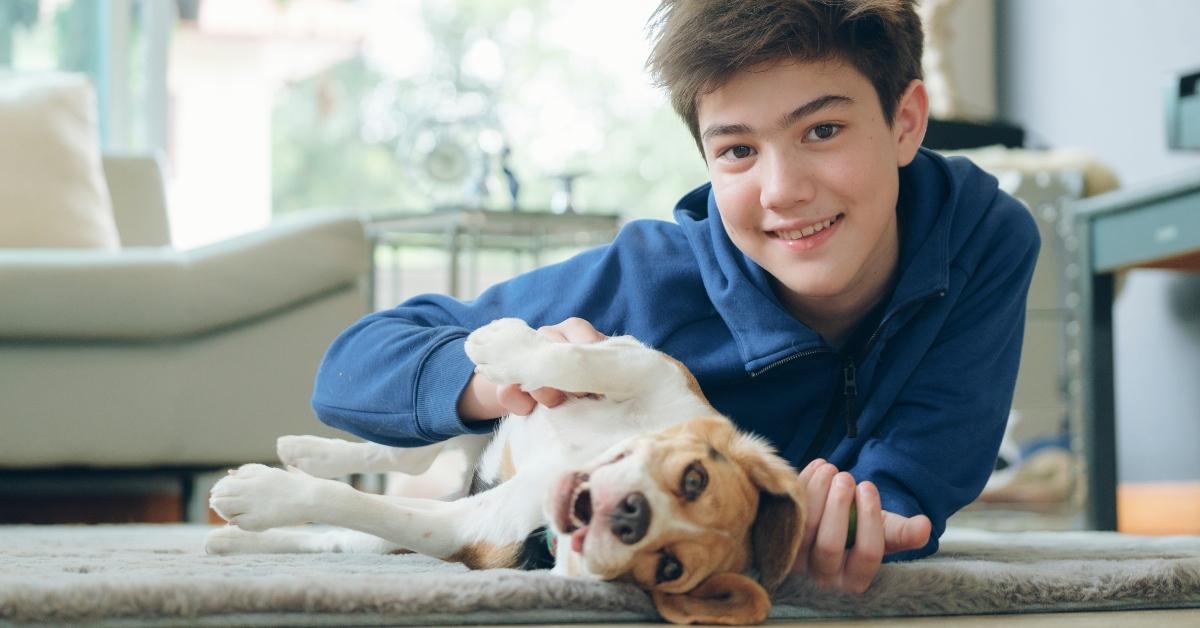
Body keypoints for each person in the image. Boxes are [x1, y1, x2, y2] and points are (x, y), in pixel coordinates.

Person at [311, 0, 1039, 595]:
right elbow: (353, 364)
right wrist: (499, 381)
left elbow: (920, 476)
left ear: (906, 122)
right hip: (526, 478)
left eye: (823, 130)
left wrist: (873, 514)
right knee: (440, 500)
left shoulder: (983, 240)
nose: (783, 189)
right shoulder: (650, 280)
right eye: (738, 150)